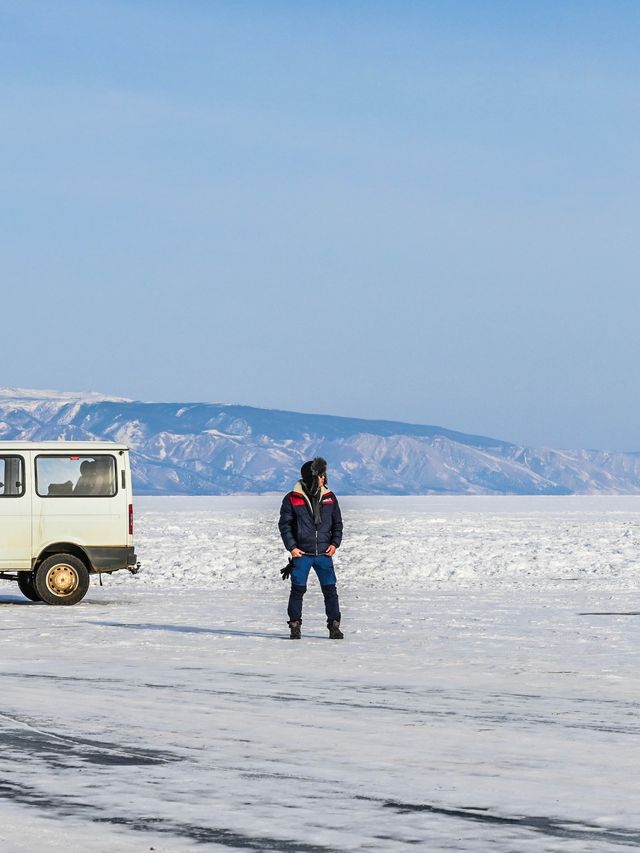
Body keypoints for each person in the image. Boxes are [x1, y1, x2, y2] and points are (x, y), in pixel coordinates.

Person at [278, 457, 344, 640]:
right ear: (311, 477)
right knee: (297, 590)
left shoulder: (330, 497)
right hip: (302, 554)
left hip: (324, 553)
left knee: (330, 590)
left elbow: (337, 523)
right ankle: (295, 626)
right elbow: (285, 525)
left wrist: (334, 543)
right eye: (320, 475)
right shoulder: (292, 498)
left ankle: (334, 626)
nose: (324, 478)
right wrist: (292, 547)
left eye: (324, 475)